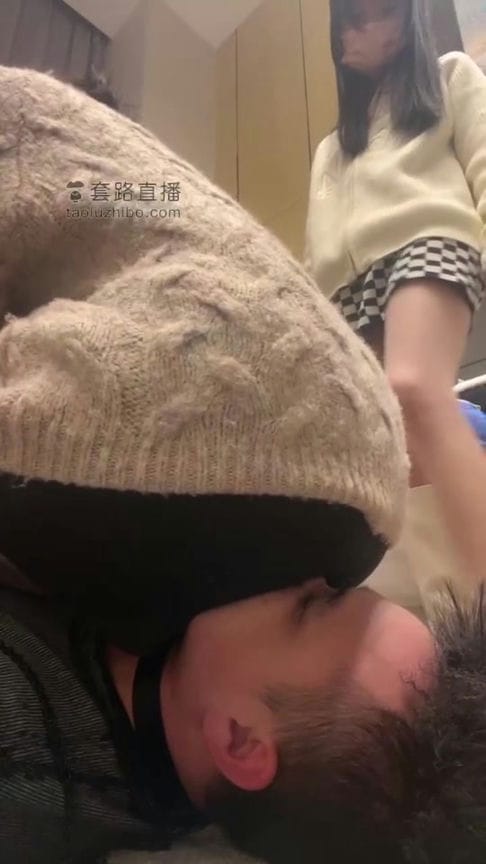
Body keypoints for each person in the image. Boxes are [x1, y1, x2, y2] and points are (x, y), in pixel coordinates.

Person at [0, 64, 485, 864]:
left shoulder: (31, 749)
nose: (313, 570)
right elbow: (148, 198)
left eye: (314, 605)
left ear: (238, 740)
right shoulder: (189, 603)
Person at [306, 0, 486, 595]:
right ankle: (460, 611)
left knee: (413, 386)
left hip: (429, 238)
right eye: (352, 20)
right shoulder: (332, 148)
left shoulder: (450, 75)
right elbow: (315, 249)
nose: (366, 30)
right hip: (346, 289)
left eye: (382, 12)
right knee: (396, 451)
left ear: (407, 19)